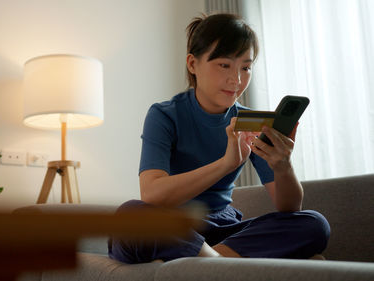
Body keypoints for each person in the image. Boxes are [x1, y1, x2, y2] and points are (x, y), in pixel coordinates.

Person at [108, 13, 330, 263]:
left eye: (245, 68)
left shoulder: (252, 122)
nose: (236, 80)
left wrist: (283, 165)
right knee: (131, 215)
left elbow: (289, 207)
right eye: (224, 65)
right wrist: (225, 164)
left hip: (223, 231)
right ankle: (223, 264)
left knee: (314, 223)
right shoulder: (164, 115)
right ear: (193, 64)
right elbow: (152, 194)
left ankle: (208, 262)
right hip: (173, 225)